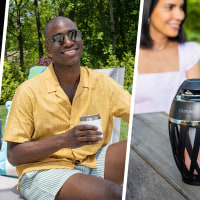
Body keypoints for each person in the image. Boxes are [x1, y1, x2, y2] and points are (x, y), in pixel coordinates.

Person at [3, 16, 131, 200]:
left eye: (73, 34)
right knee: (113, 194)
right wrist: (64, 140)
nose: (68, 42)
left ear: (80, 39)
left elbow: (136, 115)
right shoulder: (28, 91)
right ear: (48, 48)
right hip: (44, 170)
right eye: (58, 38)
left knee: (137, 149)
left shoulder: (102, 83)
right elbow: (14, 155)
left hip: (92, 159)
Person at [134, 0, 200, 114]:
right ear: (148, 9)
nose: (180, 16)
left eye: (181, 8)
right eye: (170, 7)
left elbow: (195, 107)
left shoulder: (190, 52)